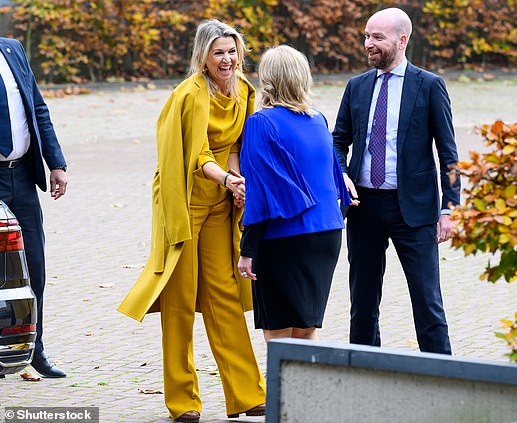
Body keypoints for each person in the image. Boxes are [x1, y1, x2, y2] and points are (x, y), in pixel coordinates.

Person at [117, 20, 265, 423]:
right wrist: (228, 178)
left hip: (220, 203)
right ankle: (183, 403)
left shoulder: (246, 93)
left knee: (224, 295)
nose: (228, 59)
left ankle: (248, 394)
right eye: (219, 52)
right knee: (180, 301)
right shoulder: (187, 96)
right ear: (204, 56)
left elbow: (237, 146)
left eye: (232, 51)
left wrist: (238, 180)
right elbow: (198, 155)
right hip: (184, 201)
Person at [332, 8, 461, 354]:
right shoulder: (357, 86)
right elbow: (338, 140)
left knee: (427, 300)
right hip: (364, 207)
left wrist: (449, 209)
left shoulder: (430, 86)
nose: (368, 44)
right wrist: (341, 176)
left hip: (414, 211)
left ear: (402, 41)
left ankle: (441, 376)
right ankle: (363, 372)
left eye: (377, 37)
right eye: (366, 36)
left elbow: (448, 153)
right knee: (362, 301)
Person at [237, 45, 351, 342]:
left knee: (278, 335)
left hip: (284, 239)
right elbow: (334, 182)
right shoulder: (319, 120)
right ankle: (308, 389)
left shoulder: (260, 123)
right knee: (305, 330)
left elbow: (260, 193)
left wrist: (247, 250)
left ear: (268, 79)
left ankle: (282, 391)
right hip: (327, 235)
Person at [0, 37, 68, 378]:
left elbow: (38, 108)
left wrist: (56, 163)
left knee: (34, 268)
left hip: (23, 178)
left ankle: (33, 350)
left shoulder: (12, 49)